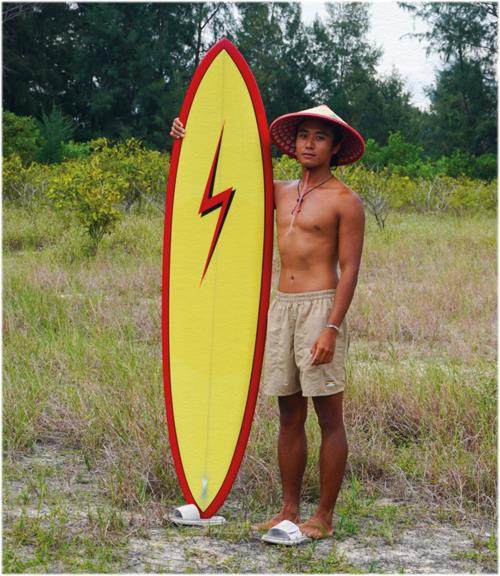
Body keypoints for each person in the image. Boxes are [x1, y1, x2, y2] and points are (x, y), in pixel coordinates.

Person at [170, 104, 365, 540]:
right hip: (282, 307)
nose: (309, 144)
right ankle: (288, 510)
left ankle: (323, 518)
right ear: (294, 144)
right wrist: (188, 138)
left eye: (319, 137)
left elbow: (350, 268)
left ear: (335, 147)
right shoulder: (277, 191)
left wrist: (331, 327)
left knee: (329, 416)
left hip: (319, 308)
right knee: (288, 413)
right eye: (304, 135)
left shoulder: (345, 201)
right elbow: (217, 185)